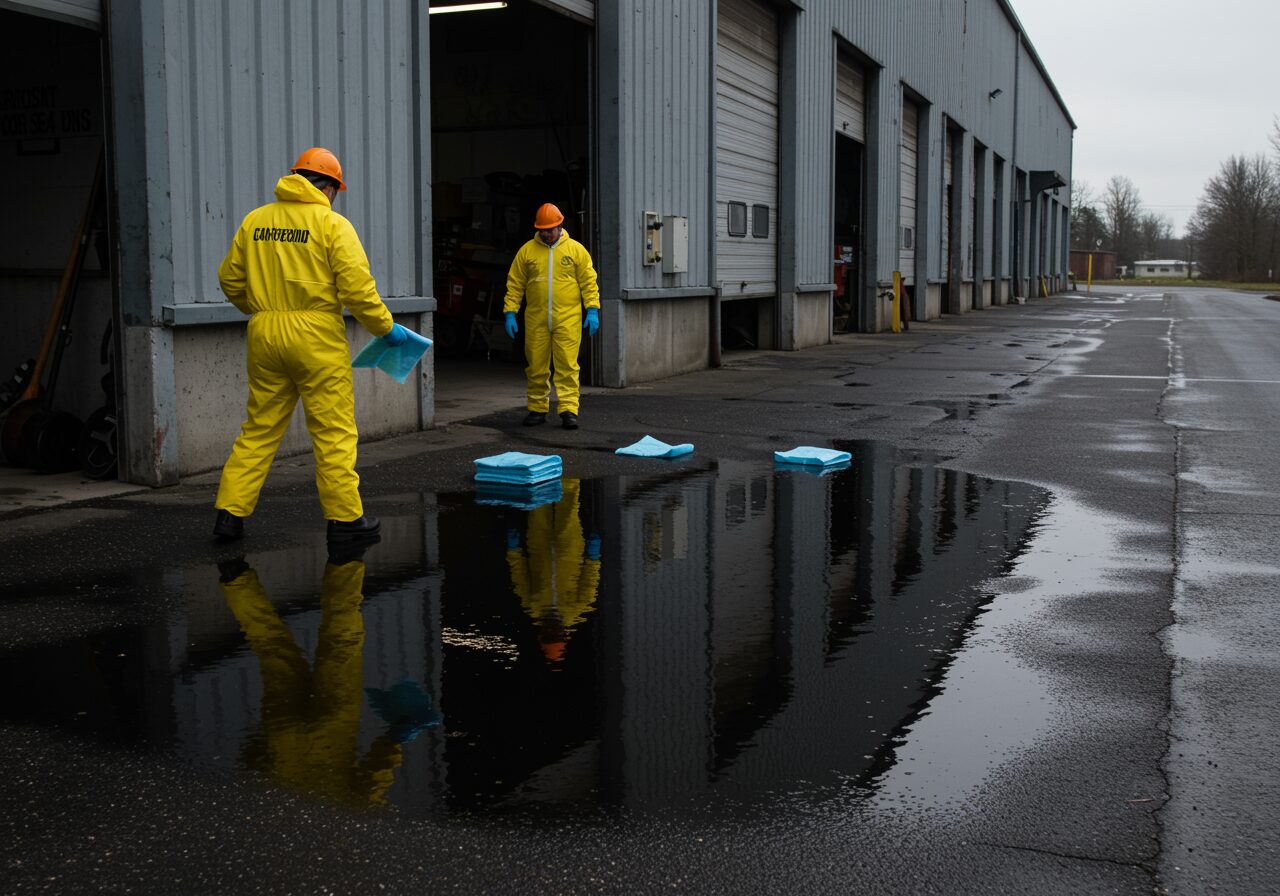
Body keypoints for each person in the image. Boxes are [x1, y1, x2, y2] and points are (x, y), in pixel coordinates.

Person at [213, 147, 408, 544]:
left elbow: (229, 279)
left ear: (296, 176)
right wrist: (386, 329)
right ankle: (345, 520)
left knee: (259, 428)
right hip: (316, 335)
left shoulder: (256, 220)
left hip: (265, 330)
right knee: (332, 430)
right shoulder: (331, 225)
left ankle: (229, 515)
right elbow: (357, 290)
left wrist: (264, 309)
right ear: (332, 188)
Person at [503, 203, 600, 430]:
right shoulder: (527, 251)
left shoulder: (576, 250)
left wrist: (592, 309)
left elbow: (589, 282)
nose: (546, 234)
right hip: (536, 319)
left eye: (550, 229)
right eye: (542, 229)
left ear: (560, 226)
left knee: (567, 365)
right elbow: (515, 283)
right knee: (536, 365)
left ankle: (568, 410)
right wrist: (510, 312)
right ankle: (537, 409)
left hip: (568, 319)